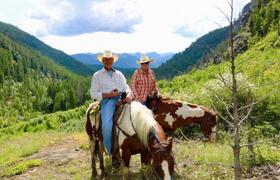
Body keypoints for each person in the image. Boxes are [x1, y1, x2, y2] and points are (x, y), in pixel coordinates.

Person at [90, 50, 132, 168]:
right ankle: (110, 151)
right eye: (106, 59)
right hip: (108, 101)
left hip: (122, 99)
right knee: (107, 125)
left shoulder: (119, 74)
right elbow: (93, 94)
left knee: (136, 116)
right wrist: (109, 95)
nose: (108, 61)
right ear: (102, 61)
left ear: (113, 61)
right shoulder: (97, 75)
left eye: (110, 59)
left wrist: (128, 95)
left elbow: (126, 87)